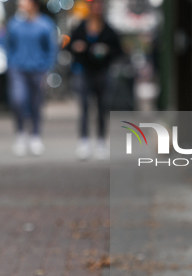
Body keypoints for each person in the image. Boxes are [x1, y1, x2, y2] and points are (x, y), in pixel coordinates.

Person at [69, 0, 122, 160]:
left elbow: (118, 50)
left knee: (102, 108)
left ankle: (101, 142)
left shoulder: (109, 29)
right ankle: (84, 142)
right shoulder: (80, 27)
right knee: (84, 107)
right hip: (84, 72)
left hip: (103, 72)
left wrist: (107, 51)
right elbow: (69, 45)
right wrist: (77, 47)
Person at [6, 0, 58, 157]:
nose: (21, 3)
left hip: (38, 70)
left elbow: (51, 47)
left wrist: (47, 67)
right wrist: (10, 64)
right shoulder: (14, 24)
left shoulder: (45, 24)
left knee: (36, 103)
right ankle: (20, 133)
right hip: (18, 70)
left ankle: (35, 135)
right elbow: (8, 45)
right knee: (18, 100)